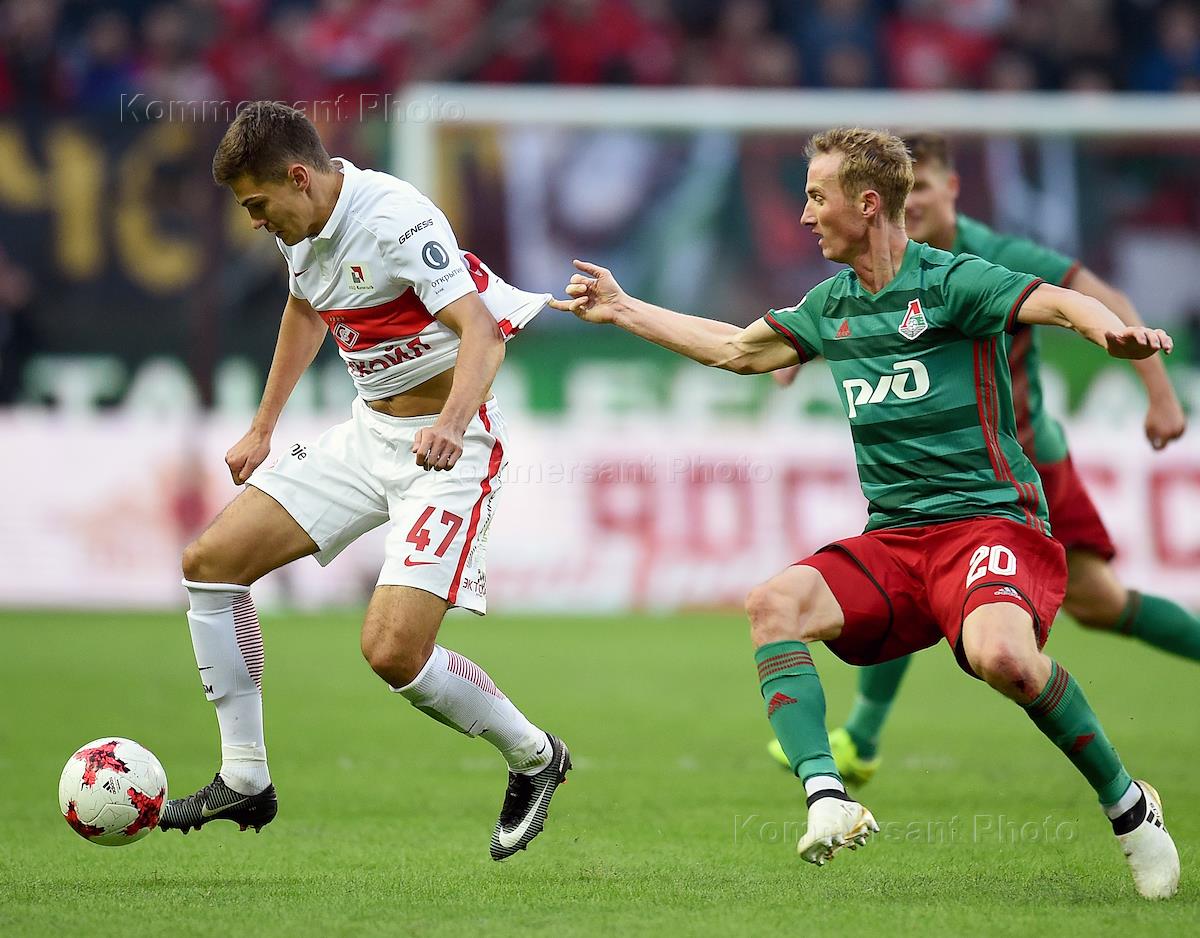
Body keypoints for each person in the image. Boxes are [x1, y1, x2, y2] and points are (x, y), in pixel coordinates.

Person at [551, 127, 1179, 898]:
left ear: (867, 202)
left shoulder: (951, 282)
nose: (806, 214)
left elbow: (1055, 299)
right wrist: (623, 310)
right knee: (772, 603)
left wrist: (1108, 330)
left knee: (1005, 660)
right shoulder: (830, 305)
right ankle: (827, 799)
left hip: (989, 525)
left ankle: (1128, 807)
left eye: (818, 197)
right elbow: (736, 350)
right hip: (895, 542)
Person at [159, 102, 571, 862]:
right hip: (367, 435)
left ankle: (537, 757)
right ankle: (244, 776)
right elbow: (304, 307)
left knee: (391, 651)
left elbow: (481, 333)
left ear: (298, 177)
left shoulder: (394, 220)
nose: (254, 221)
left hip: (451, 448)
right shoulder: (303, 226)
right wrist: (263, 426)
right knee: (209, 565)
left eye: (257, 205)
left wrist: (450, 422)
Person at [767, 132, 1194, 787]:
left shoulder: (988, 257)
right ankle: (863, 735)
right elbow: (830, 329)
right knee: (912, 558)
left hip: (1026, 463)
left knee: (1099, 604)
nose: (911, 212)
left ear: (948, 190)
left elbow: (1095, 299)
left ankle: (865, 736)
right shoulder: (872, 275)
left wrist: (1159, 393)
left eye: (926, 194)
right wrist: (798, 353)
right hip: (950, 472)